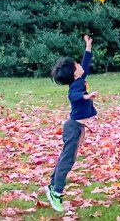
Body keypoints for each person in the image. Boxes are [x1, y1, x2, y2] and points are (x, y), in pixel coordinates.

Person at [45, 35, 98, 212]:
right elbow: (73, 96)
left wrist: (88, 46)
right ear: (75, 73)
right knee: (67, 162)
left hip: (77, 127)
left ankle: (52, 186)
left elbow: (87, 62)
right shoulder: (75, 87)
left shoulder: (79, 78)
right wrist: (86, 96)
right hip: (73, 128)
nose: (81, 66)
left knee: (66, 159)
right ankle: (56, 193)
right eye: (78, 66)